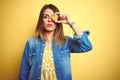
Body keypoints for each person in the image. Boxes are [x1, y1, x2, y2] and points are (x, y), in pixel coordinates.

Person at [19, 4, 92, 80]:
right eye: (45, 17)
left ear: (58, 21)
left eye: (53, 17)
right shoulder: (31, 43)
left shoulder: (66, 42)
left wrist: (70, 23)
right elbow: (24, 72)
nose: (49, 20)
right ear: (41, 21)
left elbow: (87, 46)